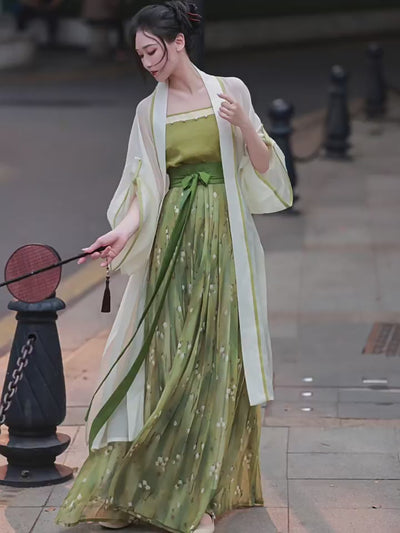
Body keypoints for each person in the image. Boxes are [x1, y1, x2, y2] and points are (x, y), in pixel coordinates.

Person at [55, 1, 292, 532]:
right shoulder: (148, 112)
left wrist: (244, 125)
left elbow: (264, 167)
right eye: (140, 55)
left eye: (152, 51)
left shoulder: (230, 90)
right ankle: (165, 488)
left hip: (226, 243)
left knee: (216, 361)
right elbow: (145, 190)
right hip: (173, 246)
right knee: (173, 361)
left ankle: (201, 498)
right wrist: (120, 232)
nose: (147, 63)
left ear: (178, 42)